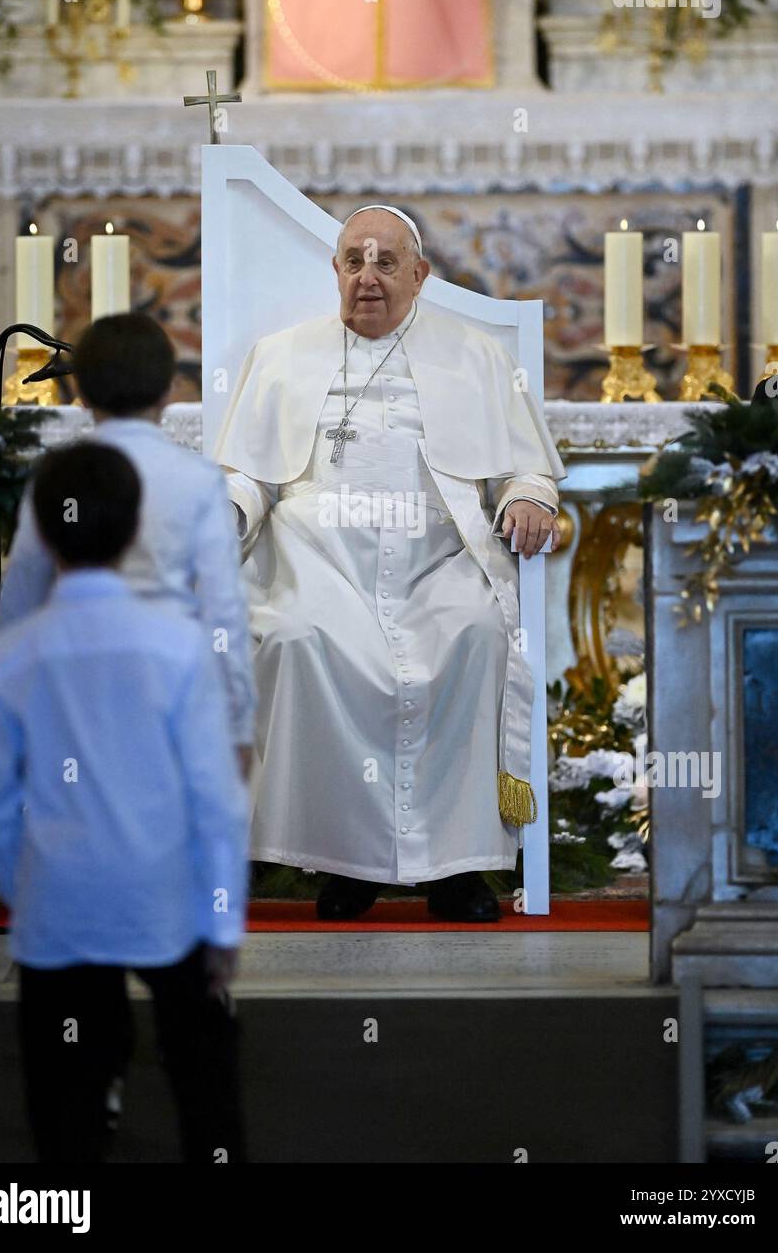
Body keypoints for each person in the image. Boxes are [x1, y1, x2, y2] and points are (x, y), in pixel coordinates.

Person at [216, 204, 566, 923]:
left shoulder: (475, 355)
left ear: (420, 274)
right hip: (318, 563)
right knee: (300, 638)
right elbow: (246, 474)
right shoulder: (281, 356)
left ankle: (457, 870)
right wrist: (222, 514)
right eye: (353, 260)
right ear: (335, 271)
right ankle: (348, 863)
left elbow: (528, 467)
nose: (366, 276)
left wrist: (529, 496)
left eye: (385, 262)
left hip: (442, 561)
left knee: (476, 633)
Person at [0, 442, 249, 1164]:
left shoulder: (18, 651)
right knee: (204, 1090)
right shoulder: (181, 646)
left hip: (59, 904)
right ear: (132, 533)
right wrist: (222, 921)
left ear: (43, 531)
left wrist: (23, 889)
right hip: (168, 898)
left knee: (65, 1112)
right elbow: (215, 802)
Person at [0, 312, 255, 772]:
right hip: (169, 687)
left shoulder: (57, 477)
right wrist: (236, 728)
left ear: (80, 392)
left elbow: (19, 601)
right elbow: (223, 611)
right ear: (170, 390)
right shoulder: (198, 481)